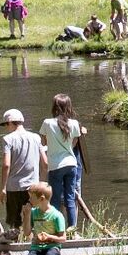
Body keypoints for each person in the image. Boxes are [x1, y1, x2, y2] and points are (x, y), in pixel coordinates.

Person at [42, 94, 86, 228]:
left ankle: (57, 229)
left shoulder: (47, 123)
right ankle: (72, 229)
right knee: (70, 199)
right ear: (68, 107)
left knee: (55, 200)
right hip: (71, 164)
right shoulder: (74, 123)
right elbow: (74, 142)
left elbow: (44, 142)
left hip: (55, 165)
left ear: (54, 107)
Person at [0, 108, 45, 230]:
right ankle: (33, 239)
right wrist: (41, 182)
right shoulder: (36, 137)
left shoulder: (7, 139)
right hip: (33, 186)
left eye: (5, 125)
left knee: (15, 223)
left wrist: (3, 188)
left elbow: (6, 165)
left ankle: (17, 239)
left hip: (14, 187)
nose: (6, 128)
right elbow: (45, 162)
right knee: (34, 221)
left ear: (10, 123)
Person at [21, 179, 69, 255]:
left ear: (41, 199)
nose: (29, 200)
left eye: (31, 197)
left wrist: (49, 237)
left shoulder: (56, 215)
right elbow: (27, 232)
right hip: (36, 247)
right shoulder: (33, 212)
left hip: (52, 247)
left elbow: (63, 238)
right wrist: (27, 215)